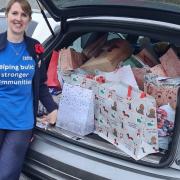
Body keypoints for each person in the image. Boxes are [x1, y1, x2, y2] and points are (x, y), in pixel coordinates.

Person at [0, 0, 58, 179]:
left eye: (24, 15)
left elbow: (40, 84)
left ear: (29, 19)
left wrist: (53, 108)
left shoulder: (35, 48)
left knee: (7, 174)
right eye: (15, 13)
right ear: (7, 15)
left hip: (21, 124)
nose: (19, 18)